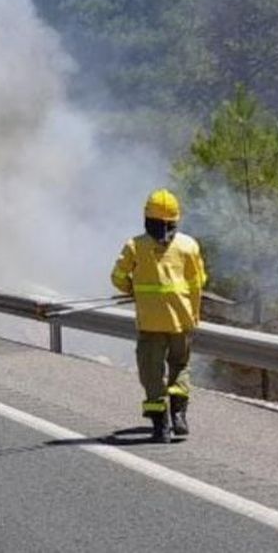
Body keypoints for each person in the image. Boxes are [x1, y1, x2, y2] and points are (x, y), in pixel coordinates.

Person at [111, 189, 207, 442]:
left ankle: (160, 426)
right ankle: (179, 414)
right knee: (180, 366)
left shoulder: (135, 246)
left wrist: (132, 288)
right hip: (181, 322)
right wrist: (194, 315)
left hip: (151, 323)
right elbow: (198, 283)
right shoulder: (189, 246)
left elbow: (118, 277)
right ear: (175, 218)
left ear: (147, 218)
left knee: (151, 373)